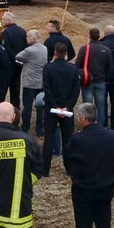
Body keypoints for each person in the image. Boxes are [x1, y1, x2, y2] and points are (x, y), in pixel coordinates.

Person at [64, 102, 114, 228]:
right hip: (105, 188)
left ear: (83, 119)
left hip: (83, 190)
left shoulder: (77, 139)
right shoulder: (110, 136)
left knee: (84, 225)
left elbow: (68, 161)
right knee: (104, 225)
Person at [42, 43, 80, 176]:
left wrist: (55, 106)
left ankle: (45, 169)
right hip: (67, 108)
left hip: (51, 108)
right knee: (68, 139)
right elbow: (76, 90)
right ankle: (70, 169)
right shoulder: (73, 69)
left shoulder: (48, 68)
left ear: (55, 52)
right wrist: (68, 107)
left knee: (49, 138)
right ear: (66, 54)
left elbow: (47, 89)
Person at [76, 28, 114, 128]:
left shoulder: (84, 49)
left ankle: (88, 127)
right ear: (100, 36)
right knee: (101, 107)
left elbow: (77, 65)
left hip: (87, 82)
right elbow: (110, 67)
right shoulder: (106, 49)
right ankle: (100, 127)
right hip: (101, 81)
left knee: (87, 108)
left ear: (89, 36)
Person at [15, 29, 48, 136]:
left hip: (29, 83)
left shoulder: (29, 50)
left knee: (27, 108)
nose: (26, 38)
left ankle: (25, 128)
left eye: (28, 37)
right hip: (41, 82)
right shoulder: (44, 49)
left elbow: (18, 56)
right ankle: (39, 129)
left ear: (33, 38)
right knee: (40, 107)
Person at [1, 12, 28, 109]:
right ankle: (16, 110)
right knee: (16, 89)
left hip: (8, 65)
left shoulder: (6, 32)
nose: (2, 21)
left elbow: (6, 49)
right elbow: (26, 46)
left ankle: (2, 108)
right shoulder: (22, 31)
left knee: (3, 90)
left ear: (8, 20)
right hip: (19, 65)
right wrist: (20, 59)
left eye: (3, 19)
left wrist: (15, 58)